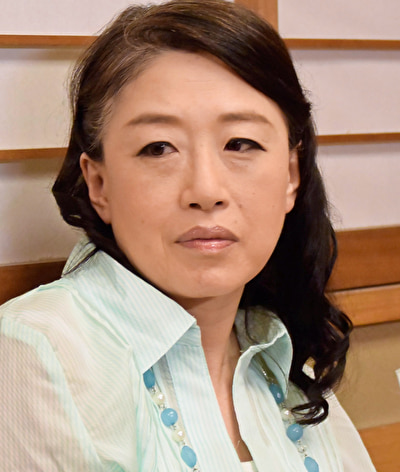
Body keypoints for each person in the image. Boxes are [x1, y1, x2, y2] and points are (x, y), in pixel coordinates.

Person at [0, 1, 376, 470]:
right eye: (159, 148)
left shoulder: (275, 348)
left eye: (241, 143)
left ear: (291, 175)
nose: (206, 191)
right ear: (99, 184)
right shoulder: (37, 351)